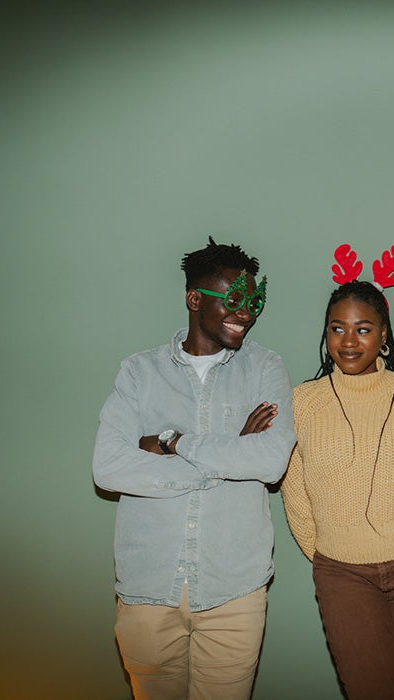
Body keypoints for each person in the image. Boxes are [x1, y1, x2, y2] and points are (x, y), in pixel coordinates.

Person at [92, 237, 295, 700]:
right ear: (194, 299)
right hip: (148, 589)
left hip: (234, 592)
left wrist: (173, 442)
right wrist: (227, 455)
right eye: (233, 301)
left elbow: (270, 460)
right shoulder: (138, 373)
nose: (246, 314)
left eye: (253, 303)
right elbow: (108, 467)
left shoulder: (265, 368)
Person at [281, 244, 394, 700]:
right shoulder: (302, 402)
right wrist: (330, 554)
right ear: (326, 334)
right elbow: (295, 494)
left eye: (363, 329)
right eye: (337, 329)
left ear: (383, 335)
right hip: (342, 573)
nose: (349, 342)